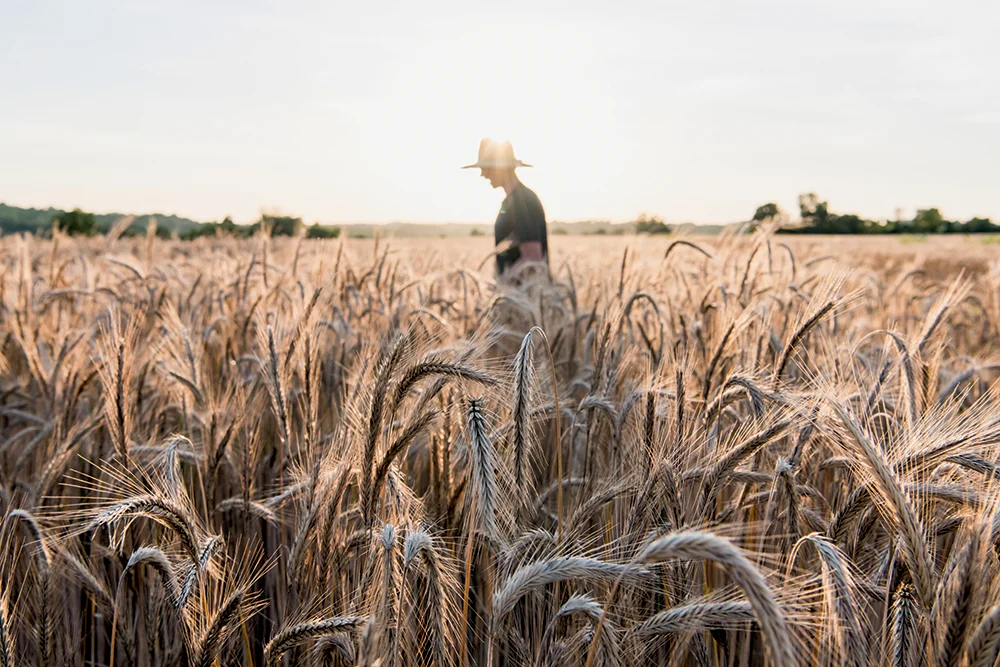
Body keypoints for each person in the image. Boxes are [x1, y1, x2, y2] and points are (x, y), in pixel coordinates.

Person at [462, 138, 549, 279]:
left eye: (485, 168)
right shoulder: (511, 201)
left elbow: (532, 258)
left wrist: (503, 283)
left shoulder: (523, 201)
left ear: (499, 168)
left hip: (526, 296)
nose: (482, 174)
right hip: (518, 296)